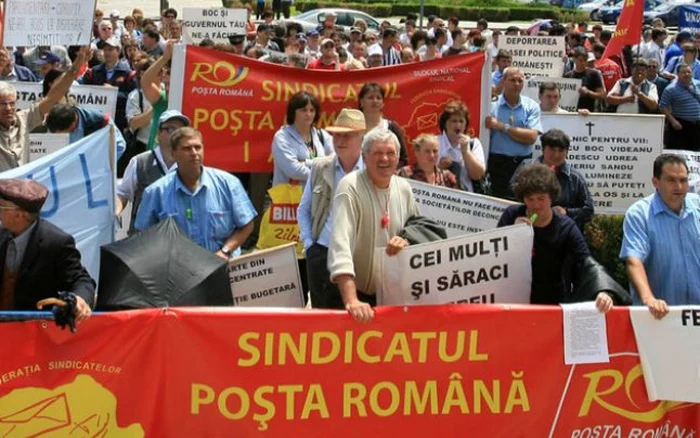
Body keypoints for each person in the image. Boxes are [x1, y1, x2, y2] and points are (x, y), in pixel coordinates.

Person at [497, 164, 624, 311]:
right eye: (530, 199)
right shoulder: (511, 215)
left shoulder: (565, 227)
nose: (536, 205)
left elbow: (585, 262)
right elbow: (494, 257)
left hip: (552, 303)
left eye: (541, 198)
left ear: (551, 198)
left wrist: (604, 291)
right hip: (514, 300)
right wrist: (511, 234)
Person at [328, 129, 419, 322]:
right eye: (378, 153)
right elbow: (340, 244)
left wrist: (405, 240)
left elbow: (415, 228)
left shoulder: (404, 188)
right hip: (356, 296)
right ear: (364, 156)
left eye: (390, 153)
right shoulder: (349, 186)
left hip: (394, 297)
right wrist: (352, 300)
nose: (384, 159)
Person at [134, 127, 257, 259]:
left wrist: (225, 251)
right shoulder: (156, 192)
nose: (194, 153)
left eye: (198, 147)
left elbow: (247, 224)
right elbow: (143, 235)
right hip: (177, 272)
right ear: (173, 153)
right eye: (187, 148)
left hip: (222, 267)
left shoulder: (228, 184)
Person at [298, 109, 366, 309]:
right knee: (321, 317)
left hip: (358, 258)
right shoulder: (320, 167)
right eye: (336, 134)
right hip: (322, 254)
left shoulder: (371, 171)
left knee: (356, 317)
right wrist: (311, 245)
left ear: (362, 139)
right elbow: (303, 210)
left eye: (347, 135)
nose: (340, 140)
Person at [0, 178, 94, 319]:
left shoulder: (56, 243)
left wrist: (78, 299)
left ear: (19, 214)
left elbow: (81, 280)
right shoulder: (2, 235)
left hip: (36, 330)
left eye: (2, 207)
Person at [620, 154, 700, 319]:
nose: (678, 186)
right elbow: (634, 261)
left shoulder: (697, 207)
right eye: (671, 180)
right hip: (659, 317)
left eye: (683, 180)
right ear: (655, 182)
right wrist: (649, 298)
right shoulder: (639, 214)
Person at [0, 46, 90, 171]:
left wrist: (76, 65)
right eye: (3, 104)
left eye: (11, 103)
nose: (8, 108)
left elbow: (53, 97)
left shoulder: (24, 119)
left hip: (23, 186)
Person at [117, 110, 189, 235]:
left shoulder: (189, 165)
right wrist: (116, 211)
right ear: (158, 133)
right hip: (142, 241)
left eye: (181, 131)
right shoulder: (139, 162)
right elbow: (123, 193)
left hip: (178, 242)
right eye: (171, 129)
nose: (177, 135)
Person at [485, 67, 542, 200]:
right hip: (497, 164)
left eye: (520, 81)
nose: (516, 84)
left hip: (523, 164)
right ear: (503, 81)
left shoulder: (531, 106)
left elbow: (531, 137)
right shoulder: (491, 105)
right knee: (497, 203)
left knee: (522, 202)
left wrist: (502, 126)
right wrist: (517, 133)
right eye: (512, 80)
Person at [533, 129, 594, 230]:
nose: (556, 154)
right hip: (532, 224)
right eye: (552, 149)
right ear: (543, 149)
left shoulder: (575, 177)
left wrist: (566, 212)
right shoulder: (526, 169)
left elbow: (588, 210)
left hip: (563, 232)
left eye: (561, 150)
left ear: (567, 152)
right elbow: (512, 203)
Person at [271, 91, 333, 186]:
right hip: (291, 199)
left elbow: (335, 160)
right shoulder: (282, 137)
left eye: (312, 110)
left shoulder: (322, 135)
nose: (308, 114)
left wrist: (305, 162)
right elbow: (293, 170)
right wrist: (324, 171)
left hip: (319, 197)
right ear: (293, 112)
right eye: (304, 110)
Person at [78, 36, 137, 132]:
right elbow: (83, 91)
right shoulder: (93, 72)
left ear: (118, 51)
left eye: (110, 50)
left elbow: (133, 97)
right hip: (96, 121)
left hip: (118, 123)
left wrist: (113, 93)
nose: (107, 53)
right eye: (105, 50)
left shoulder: (128, 73)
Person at [44, 104, 126, 159]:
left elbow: (119, 146)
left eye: (62, 134)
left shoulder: (100, 121)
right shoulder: (54, 121)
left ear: (72, 125)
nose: (59, 137)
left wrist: (99, 162)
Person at [436, 101, 485, 191]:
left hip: (466, 198)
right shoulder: (435, 142)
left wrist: (466, 152)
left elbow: (477, 175)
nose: (458, 125)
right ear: (445, 123)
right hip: (439, 195)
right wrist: (439, 167)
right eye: (454, 121)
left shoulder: (473, 143)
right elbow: (424, 172)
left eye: (461, 121)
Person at [358, 82, 408, 168]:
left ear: (383, 103)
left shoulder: (392, 127)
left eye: (378, 98)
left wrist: (386, 170)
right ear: (361, 102)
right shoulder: (353, 128)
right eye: (370, 97)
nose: (375, 101)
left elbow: (403, 158)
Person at [659, 64, 700, 151]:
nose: (687, 74)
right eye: (684, 72)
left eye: (689, 72)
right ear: (678, 74)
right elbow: (663, 106)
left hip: (697, 126)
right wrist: (672, 121)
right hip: (680, 125)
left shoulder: (698, 85)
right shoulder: (670, 89)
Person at [564, 48, 605, 112]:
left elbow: (602, 95)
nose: (583, 63)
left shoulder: (593, 74)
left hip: (589, 113)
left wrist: (588, 92)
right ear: (574, 59)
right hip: (572, 114)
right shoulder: (568, 76)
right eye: (580, 60)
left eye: (585, 60)